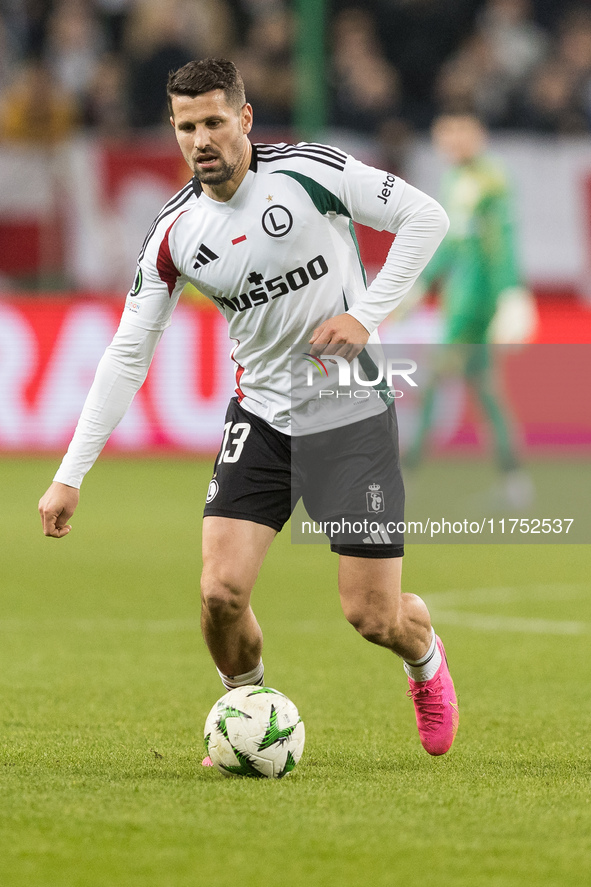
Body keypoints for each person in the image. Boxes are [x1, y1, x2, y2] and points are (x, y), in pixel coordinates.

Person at [38, 58, 458, 759]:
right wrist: (69, 473)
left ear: (244, 119)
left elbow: (425, 216)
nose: (199, 139)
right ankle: (246, 712)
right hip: (261, 419)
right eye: (185, 126)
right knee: (220, 593)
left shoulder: (308, 172)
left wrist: (365, 314)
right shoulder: (175, 234)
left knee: (373, 614)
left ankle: (425, 662)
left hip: (351, 420)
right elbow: (127, 351)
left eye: (212, 121)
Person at [402, 110, 536, 506]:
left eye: (459, 132)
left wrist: (511, 292)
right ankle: (515, 481)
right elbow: (454, 244)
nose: (451, 141)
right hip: (461, 301)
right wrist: (422, 284)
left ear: (477, 134)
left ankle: (404, 475)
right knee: (487, 391)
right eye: (444, 133)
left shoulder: (490, 180)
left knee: (429, 384)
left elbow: (502, 240)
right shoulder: (458, 178)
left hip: (472, 308)